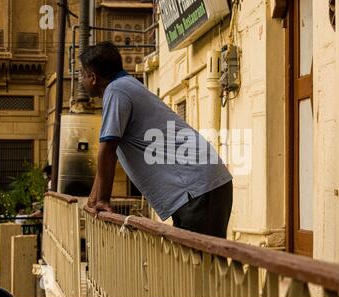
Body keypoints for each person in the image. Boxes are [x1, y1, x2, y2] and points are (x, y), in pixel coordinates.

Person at [81, 42, 233, 238]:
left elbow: (108, 149)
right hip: (200, 186)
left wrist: (102, 199)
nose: (81, 80)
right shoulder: (125, 86)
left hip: (196, 188)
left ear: (93, 78)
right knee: (197, 264)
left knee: (200, 265)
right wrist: (94, 200)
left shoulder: (116, 91)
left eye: (82, 74)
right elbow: (109, 151)